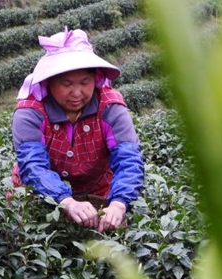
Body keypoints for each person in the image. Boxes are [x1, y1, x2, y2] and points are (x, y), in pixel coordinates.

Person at [11, 28, 144, 232]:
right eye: (66, 84)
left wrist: (119, 203)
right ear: (49, 82)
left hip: (98, 190)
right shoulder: (30, 112)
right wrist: (66, 201)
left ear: (95, 79)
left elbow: (129, 159)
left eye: (84, 83)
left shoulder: (111, 107)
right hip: (39, 192)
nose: (76, 93)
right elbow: (33, 165)